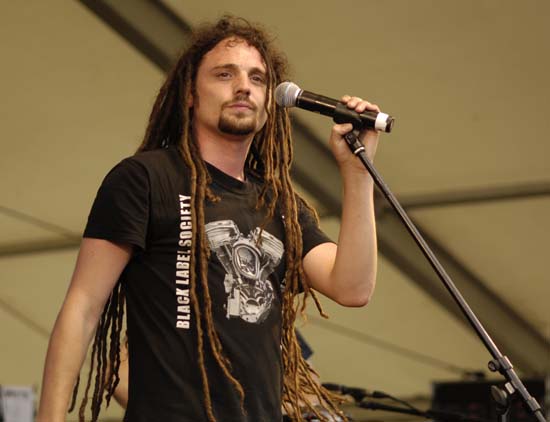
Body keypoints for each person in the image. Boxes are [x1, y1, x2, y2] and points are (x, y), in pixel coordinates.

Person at [37, 15, 379, 422]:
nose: (243, 86)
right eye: (224, 74)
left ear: (269, 103)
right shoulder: (146, 179)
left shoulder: (280, 203)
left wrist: (357, 174)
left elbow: (353, 287)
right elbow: (82, 308)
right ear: (190, 94)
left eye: (257, 78)